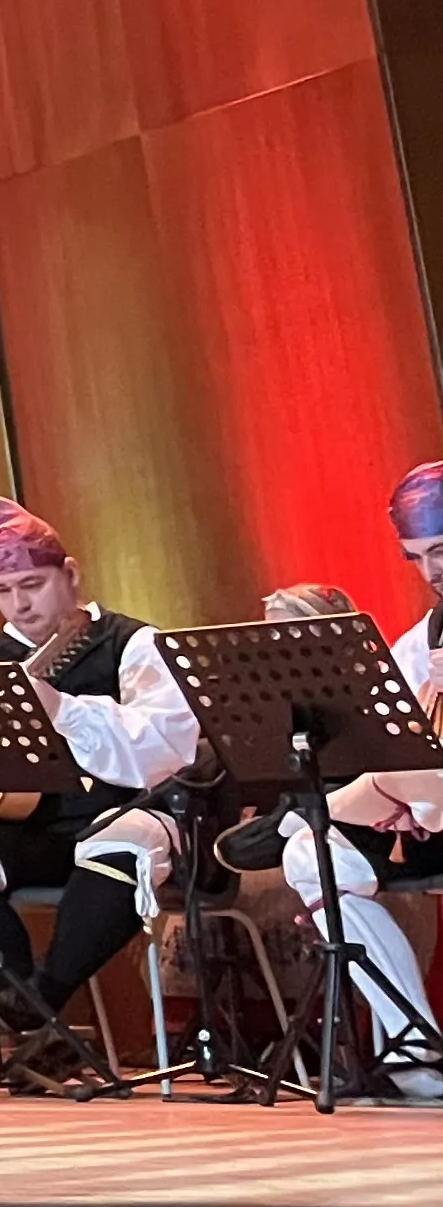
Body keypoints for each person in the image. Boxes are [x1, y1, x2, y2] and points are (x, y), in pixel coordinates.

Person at [0, 495, 196, 1055]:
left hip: (126, 810)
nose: (19, 605)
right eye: (3, 591)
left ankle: (38, 1001)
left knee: (125, 838)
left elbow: (161, 752)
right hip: (33, 834)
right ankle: (18, 1005)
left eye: (32, 585)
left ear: (69, 574)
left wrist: (62, 708)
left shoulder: (132, 644)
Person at [255, 468, 443, 1095]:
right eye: (417, 557)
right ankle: (414, 1048)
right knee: (310, 848)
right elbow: (406, 739)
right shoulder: (424, 640)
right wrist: (404, 796)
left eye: (439, 551)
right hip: (430, 810)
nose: (430, 570)